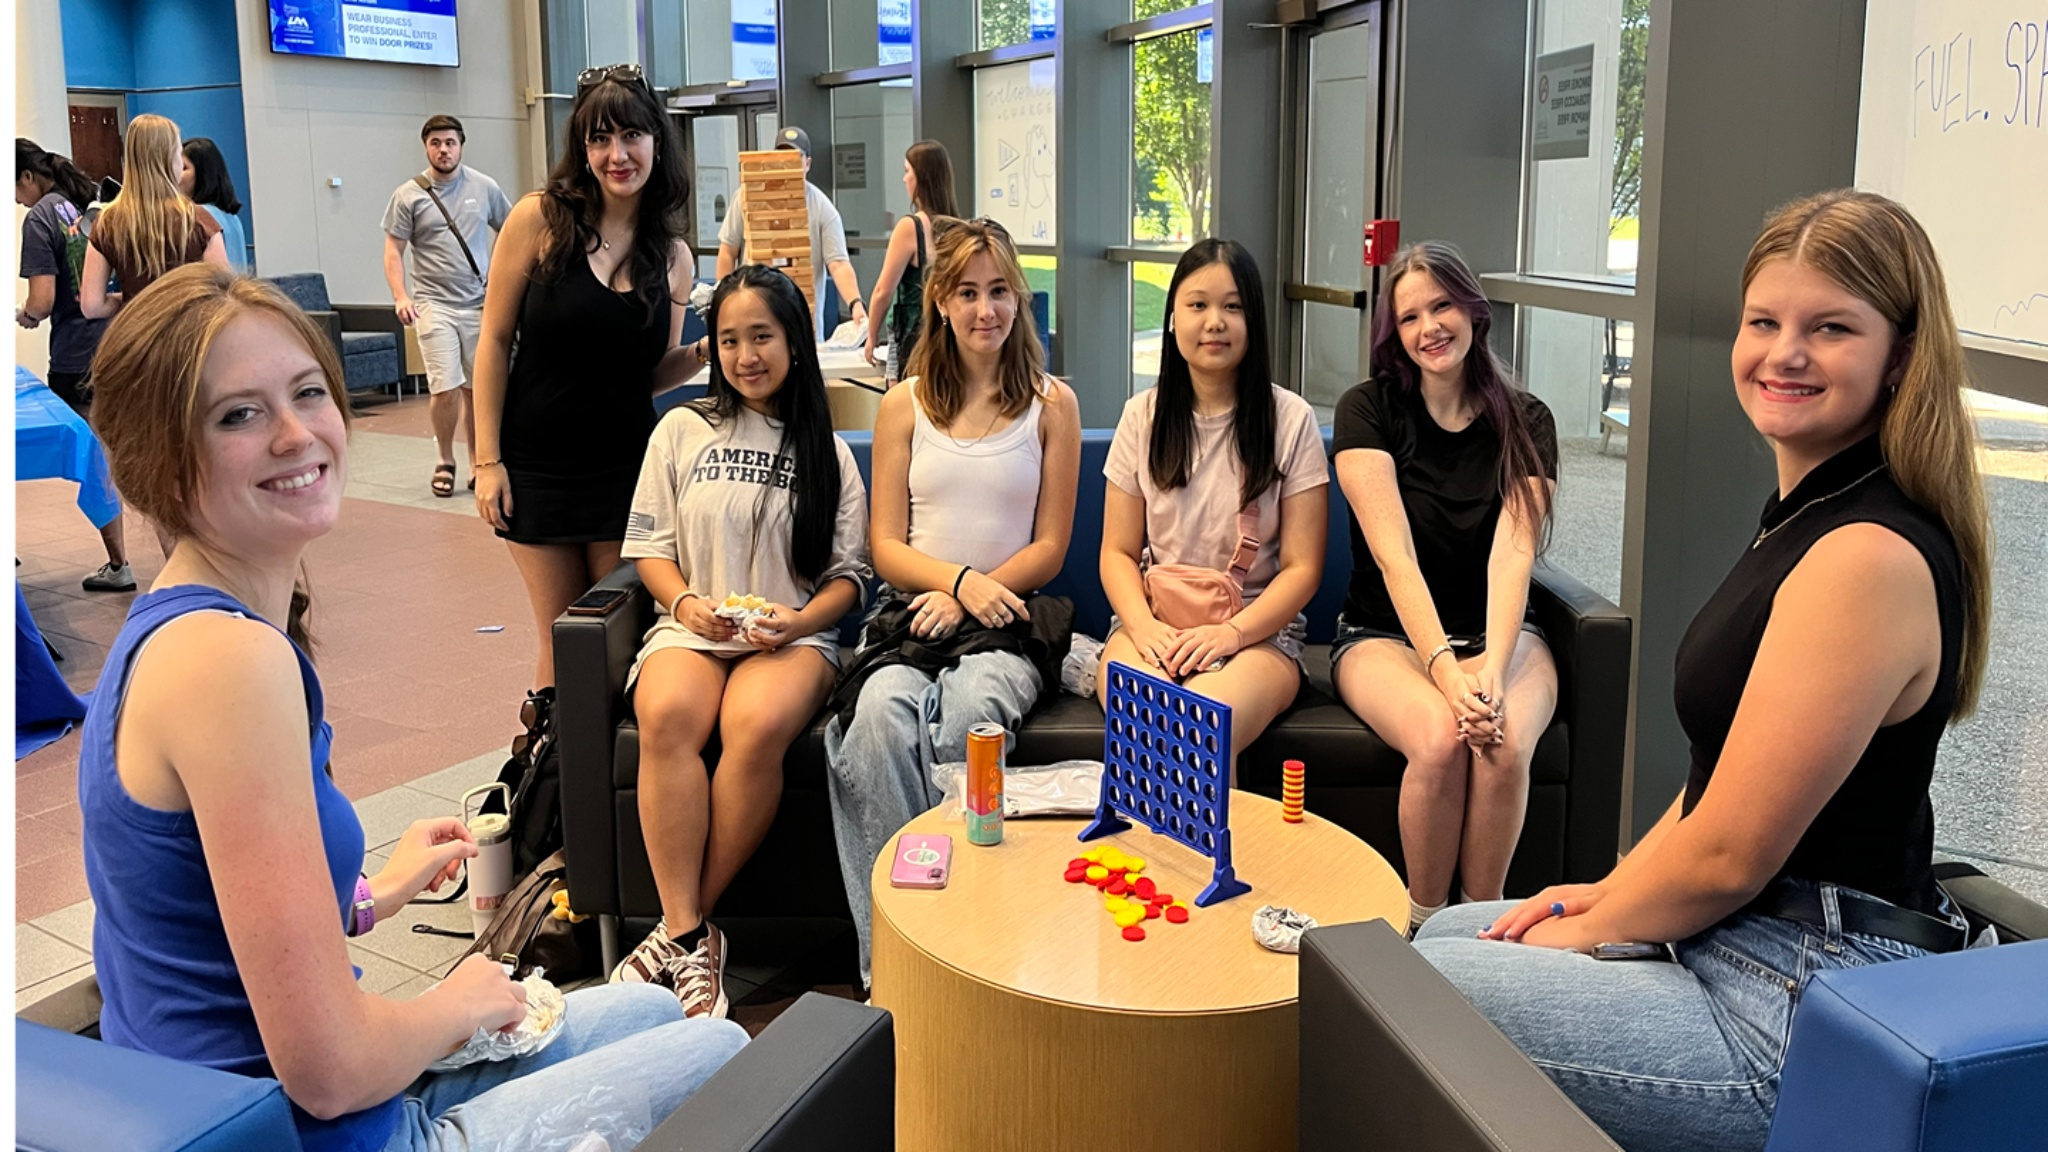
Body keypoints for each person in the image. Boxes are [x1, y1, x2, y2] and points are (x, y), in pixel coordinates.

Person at [80, 264, 747, 1152]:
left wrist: (368, 896)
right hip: (306, 1130)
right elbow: (329, 1070)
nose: (295, 434)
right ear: (157, 459)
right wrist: (451, 1002)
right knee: (724, 1050)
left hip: (243, 1098)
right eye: (237, 415)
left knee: (654, 1007)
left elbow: (195, 918)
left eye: (308, 393)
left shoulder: (173, 629)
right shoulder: (230, 663)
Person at [1413, 190, 1991, 1152]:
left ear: (1901, 357)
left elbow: (1731, 857)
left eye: (1831, 328)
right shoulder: (1809, 512)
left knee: (1407, 988)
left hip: (1800, 998)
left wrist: (1581, 937)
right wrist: (1607, 892)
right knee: (1443, 933)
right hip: (1751, 941)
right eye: (1764, 321)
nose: (1784, 353)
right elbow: (1717, 787)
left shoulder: (1867, 556)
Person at [826, 217, 1081, 987]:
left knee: (969, 716)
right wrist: (954, 582)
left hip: (1008, 624)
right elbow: (886, 546)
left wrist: (975, 597)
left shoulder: (1051, 404)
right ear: (938, 300)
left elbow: (1050, 547)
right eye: (967, 292)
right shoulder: (903, 405)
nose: (985, 310)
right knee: (875, 721)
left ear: (1020, 299)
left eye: (1000, 291)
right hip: (914, 619)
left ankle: (969, 945)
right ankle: (896, 963)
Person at [614, 265, 871, 1016]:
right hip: (692, 629)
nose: (745, 355)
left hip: (790, 637)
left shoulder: (825, 450)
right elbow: (650, 550)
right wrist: (687, 606)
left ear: (795, 341)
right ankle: (693, 935)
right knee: (666, 719)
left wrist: (798, 621)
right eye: (728, 339)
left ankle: (674, 930)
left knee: (753, 725)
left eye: (761, 335)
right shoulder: (680, 428)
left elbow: (850, 580)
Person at [1329, 241, 1560, 935]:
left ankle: (1478, 931)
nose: (1430, 326)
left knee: (1504, 741)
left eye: (1443, 306)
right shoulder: (1367, 410)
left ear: (1473, 311)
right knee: (1438, 738)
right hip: (1385, 636)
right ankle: (1424, 926)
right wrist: (1445, 675)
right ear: (1392, 335)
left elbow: (1513, 554)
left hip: (1501, 634)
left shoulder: (1529, 420)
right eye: (1410, 317)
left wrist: (1488, 672)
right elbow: (1394, 556)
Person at [472, 65, 709, 691]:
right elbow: (494, 343)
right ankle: (540, 783)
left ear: (658, 141)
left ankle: (595, 782)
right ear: (582, 148)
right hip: (535, 465)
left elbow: (650, 372)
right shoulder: (539, 221)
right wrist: (485, 460)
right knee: (560, 643)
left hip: (625, 470)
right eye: (599, 139)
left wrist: (707, 353)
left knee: (615, 641)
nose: (616, 154)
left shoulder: (673, 255)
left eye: (631, 136)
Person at [1098, 238, 1328, 777]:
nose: (1215, 322)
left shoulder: (1290, 420)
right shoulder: (1142, 418)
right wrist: (1144, 628)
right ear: (1173, 318)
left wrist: (1232, 635)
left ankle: (1207, 862)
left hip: (1258, 636)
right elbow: (1116, 551)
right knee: (1143, 714)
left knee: (1201, 727)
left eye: (1233, 306)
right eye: (1198, 305)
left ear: (1254, 320)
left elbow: (1303, 568)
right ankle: (1151, 862)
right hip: (1151, 623)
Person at [15, 137, 131, 592]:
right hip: (122, 342)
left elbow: (43, 301)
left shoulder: (40, 218)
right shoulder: (93, 202)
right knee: (133, 451)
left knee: (95, 458)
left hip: (77, 355)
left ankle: (119, 562)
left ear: (27, 176)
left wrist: (26, 314)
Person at [382, 114, 514, 498]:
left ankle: (478, 460)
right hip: (432, 305)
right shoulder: (409, 195)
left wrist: (503, 283)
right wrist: (400, 296)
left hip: (478, 305)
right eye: (436, 143)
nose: (443, 149)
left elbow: (510, 230)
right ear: (426, 147)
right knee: (445, 386)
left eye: (450, 142)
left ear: (461, 145)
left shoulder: (483, 187)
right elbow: (393, 249)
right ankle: (445, 458)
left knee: (478, 388)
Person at [715, 125, 866, 342]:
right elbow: (728, 251)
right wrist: (722, 301)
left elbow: (838, 262)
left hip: (802, 321)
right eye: (782, 155)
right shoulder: (748, 196)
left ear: (808, 164)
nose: (788, 163)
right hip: (752, 314)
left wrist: (855, 303)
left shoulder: (822, 207)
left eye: (795, 157)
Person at [80, 113, 230, 320]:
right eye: (179, 153)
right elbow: (223, 295)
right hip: (187, 338)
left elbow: (92, 306)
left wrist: (129, 300)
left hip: (134, 341)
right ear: (169, 159)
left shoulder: (106, 222)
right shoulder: (198, 220)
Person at [860, 140, 958, 381]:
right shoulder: (956, 227)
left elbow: (884, 290)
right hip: (948, 338)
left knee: (903, 409)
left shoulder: (910, 227)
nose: (904, 179)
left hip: (912, 337)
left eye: (907, 172)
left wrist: (871, 335)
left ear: (921, 178)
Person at [177, 137, 249, 272]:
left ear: (203, 173)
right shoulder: (233, 218)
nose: (175, 176)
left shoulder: (197, 216)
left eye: (183, 168)